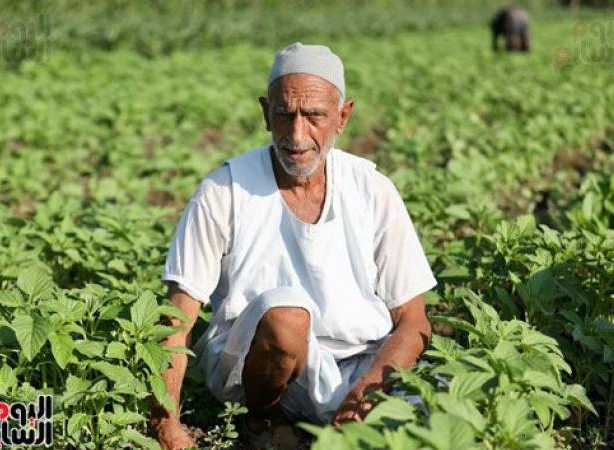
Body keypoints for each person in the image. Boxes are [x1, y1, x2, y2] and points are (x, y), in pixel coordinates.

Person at [151, 42, 437, 449]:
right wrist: (167, 425)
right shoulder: (224, 190)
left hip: (358, 364)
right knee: (288, 316)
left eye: (314, 116)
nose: (297, 135)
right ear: (266, 113)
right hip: (253, 362)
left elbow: (414, 320)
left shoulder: (371, 189)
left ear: (343, 116)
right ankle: (264, 422)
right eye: (284, 115)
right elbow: (175, 321)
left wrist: (362, 398)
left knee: (444, 411)